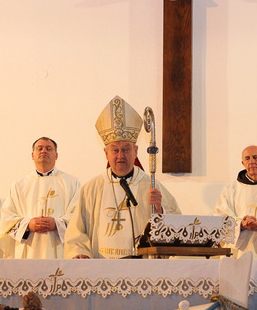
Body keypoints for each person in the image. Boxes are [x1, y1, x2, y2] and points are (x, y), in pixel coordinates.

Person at [64, 96, 180, 259]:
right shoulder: (91, 189)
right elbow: (76, 232)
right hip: (100, 267)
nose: (120, 155)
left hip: (139, 267)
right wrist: (80, 253)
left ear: (136, 152)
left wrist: (160, 210)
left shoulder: (151, 186)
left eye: (126, 149)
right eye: (115, 150)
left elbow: (177, 225)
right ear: (106, 153)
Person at [0, 137, 81, 258]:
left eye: (48, 148)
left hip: (60, 249)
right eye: (39, 148)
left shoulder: (71, 182)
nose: (44, 151)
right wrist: (28, 224)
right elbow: (7, 217)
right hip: (29, 249)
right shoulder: (19, 185)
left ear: (56, 155)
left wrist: (57, 224)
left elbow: (78, 215)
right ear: (33, 155)